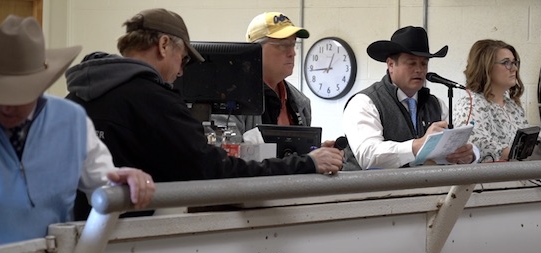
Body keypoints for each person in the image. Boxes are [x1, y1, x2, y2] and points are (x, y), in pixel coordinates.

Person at [64, 9, 343, 186]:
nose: (182, 70)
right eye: (182, 58)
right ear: (163, 46)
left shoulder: (79, 95)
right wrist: (306, 163)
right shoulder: (156, 101)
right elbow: (215, 169)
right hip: (133, 233)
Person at [0, 15, 155, 244]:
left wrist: (124, 184)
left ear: (40, 84)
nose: (6, 106)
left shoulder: (71, 121)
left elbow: (103, 185)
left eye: (18, 95)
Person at [341, 26, 477, 170]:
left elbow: (459, 144)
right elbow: (368, 155)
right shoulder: (364, 102)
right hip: (369, 190)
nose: (419, 69)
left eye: (424, 63)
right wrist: (418, 145)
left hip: (427, 189)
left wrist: (469, 155)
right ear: (391, 65)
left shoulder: (436, 104)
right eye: (411, 63)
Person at [213, 12, 312, 131]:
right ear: (255, 50)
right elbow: (226, 147)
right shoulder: (230, 98)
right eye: (283, 45)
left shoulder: (300, 102)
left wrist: (317, 148)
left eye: (293, 45)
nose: (292, 53)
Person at [453, 39, 530, 162]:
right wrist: (520, 154)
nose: (514, 68)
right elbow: (478, 144)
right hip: (488, 179)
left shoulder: (513, 106)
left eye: (514, 62)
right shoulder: (470, 104)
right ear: (486, 67)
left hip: (518, 176)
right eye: (506, 62)